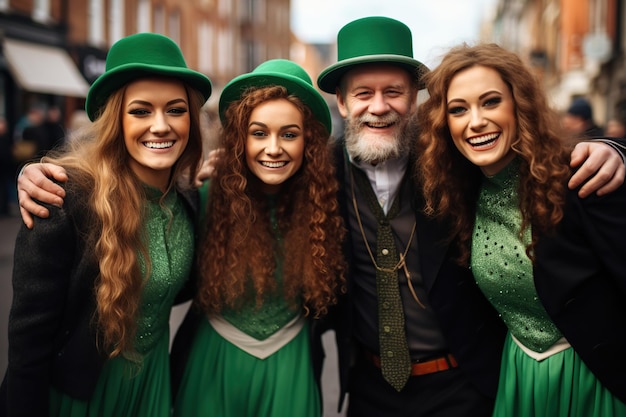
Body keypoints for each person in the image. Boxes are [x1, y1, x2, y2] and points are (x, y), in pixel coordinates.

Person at [314, 16, 626, 417]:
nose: (379, 107)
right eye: (363, 94)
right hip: (369, 388)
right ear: (341, 102)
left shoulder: (451, 166)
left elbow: (533, 157)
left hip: (465, 384)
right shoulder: (319, 174)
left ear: (415, 99)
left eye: (393, 91)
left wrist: (614, 148)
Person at [0, 32, 212, 417]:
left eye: (176, 110)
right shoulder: (64, 199)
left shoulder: (188, 199)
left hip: (153, 387)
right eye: (141, 110)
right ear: (117, 119)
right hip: (80, 396)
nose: (161, 125)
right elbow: (27, 347)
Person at [416, 42, 626, 417]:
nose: (475, 121)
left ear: (520, 104)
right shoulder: (459, 196)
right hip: (518, 377)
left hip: (595, 381)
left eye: (491, 101)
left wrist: (620, 149)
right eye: (459, 109)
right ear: (445, 125)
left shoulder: (579, 177)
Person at [169, 59, 346, 416]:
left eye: (290, 134)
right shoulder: (204, 196)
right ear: (240, 139)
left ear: (308, 142)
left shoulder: (326, 204)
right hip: (213, 362)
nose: (274, 148)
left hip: (291, 364)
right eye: (259, 133)